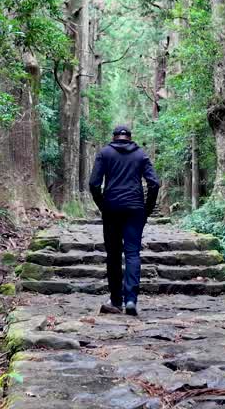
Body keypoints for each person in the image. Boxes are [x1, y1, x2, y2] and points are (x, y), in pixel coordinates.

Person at [89, 124, 160, 316]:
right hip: (135, 208)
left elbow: (93, 183)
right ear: (130, 137)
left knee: (113, 254)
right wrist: (147, 209)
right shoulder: (141, 155)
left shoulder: (105, 153)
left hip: (112, 208)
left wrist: (103, 205)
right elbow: (155, 183)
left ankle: (115, 300)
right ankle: (131, 300)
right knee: (132, 253)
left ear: (114, 137)